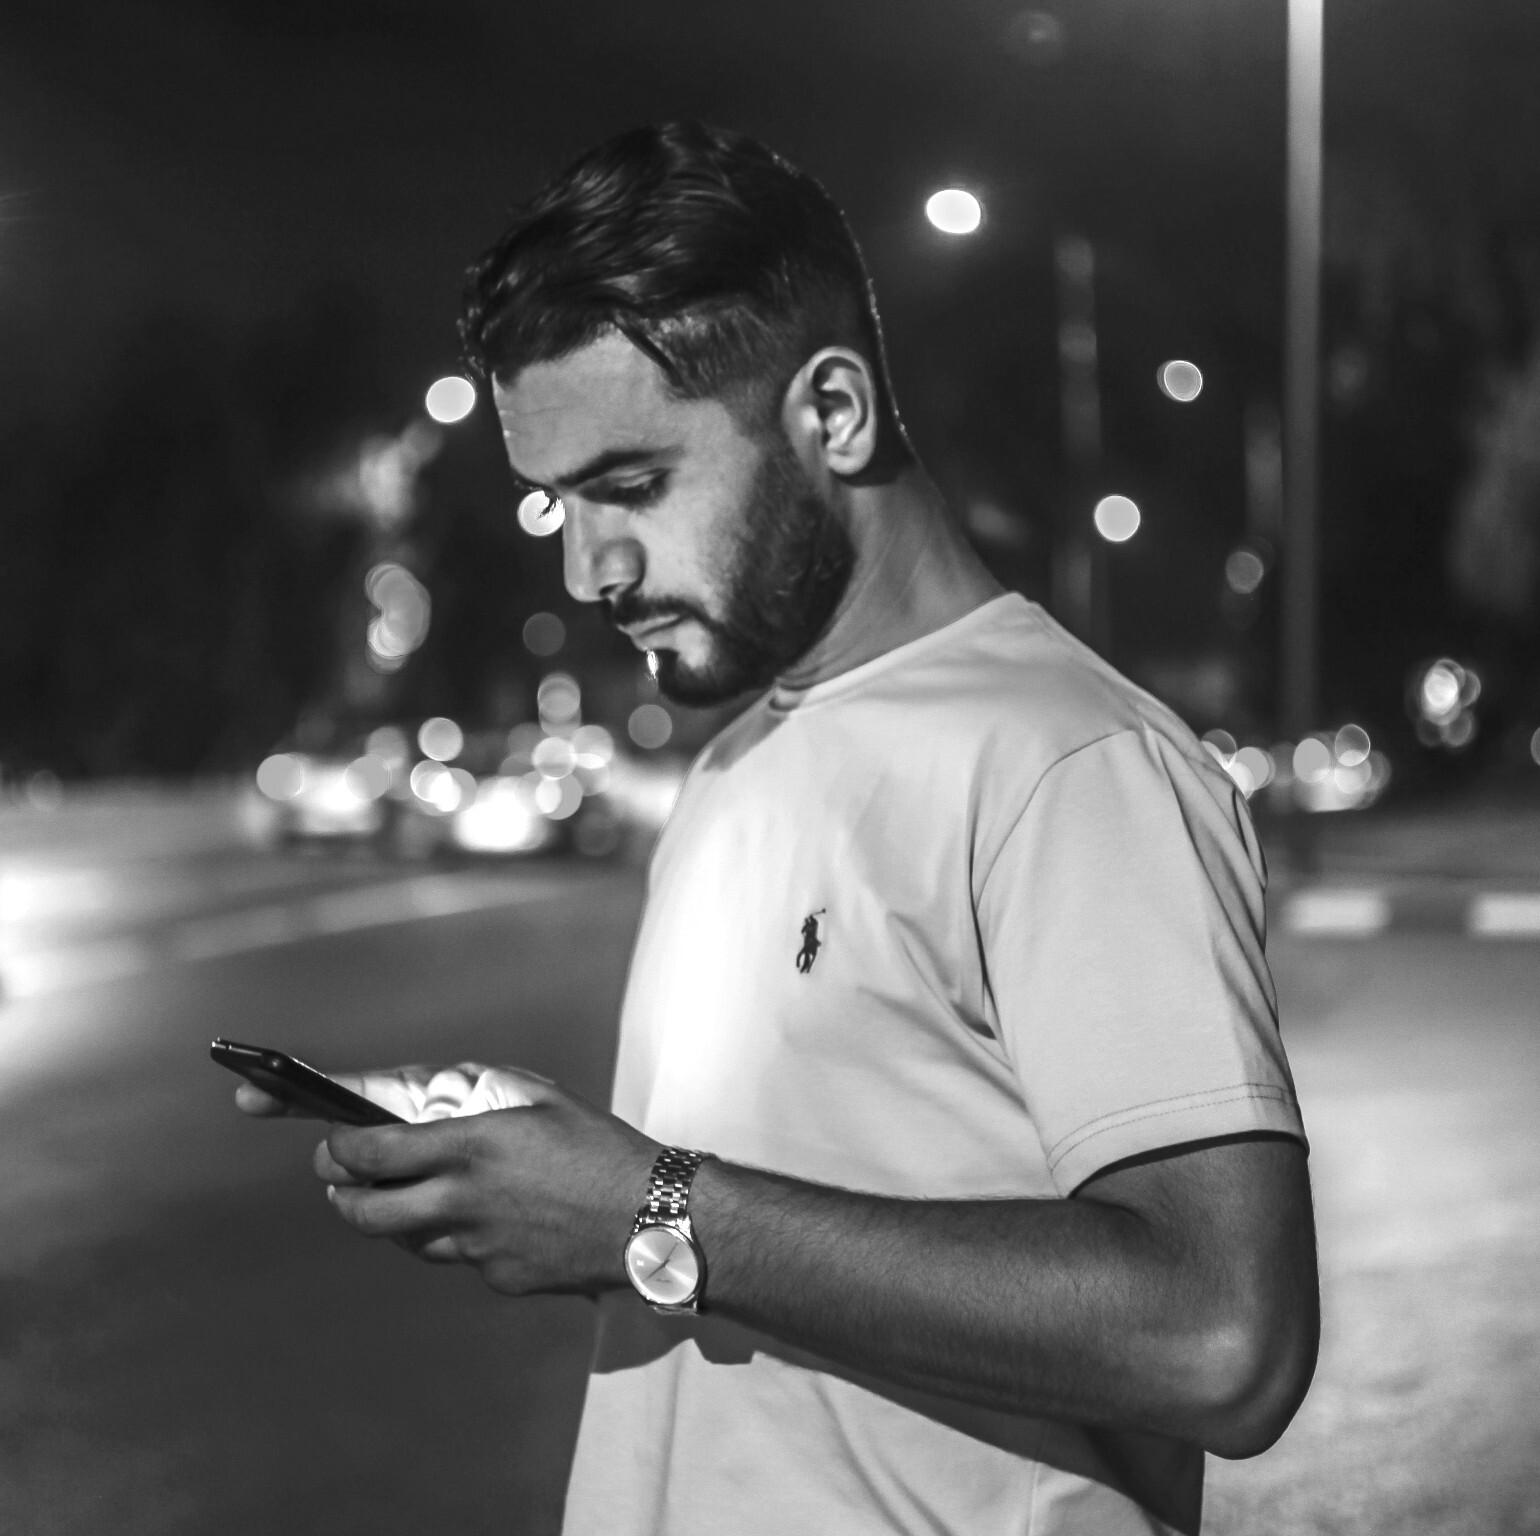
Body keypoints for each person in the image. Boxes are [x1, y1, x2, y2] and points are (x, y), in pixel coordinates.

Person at [238, 121, 1318, 1536]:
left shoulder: (1067, 761)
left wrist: (647, 1212)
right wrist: (553, 1182)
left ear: (836, 416)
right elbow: (753, 1221)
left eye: (632, 487)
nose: (590, 565)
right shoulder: (739, 762)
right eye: (557, 504)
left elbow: (1224, 1338)